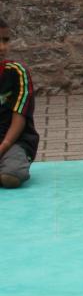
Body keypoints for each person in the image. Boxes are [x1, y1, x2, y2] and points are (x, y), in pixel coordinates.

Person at [0, 17, 39, 189]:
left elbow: (20, 118)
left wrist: (3, 147)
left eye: (5, 40)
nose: (2, 47)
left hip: (13, 142)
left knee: (12, 177)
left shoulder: (17, 72)